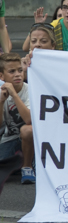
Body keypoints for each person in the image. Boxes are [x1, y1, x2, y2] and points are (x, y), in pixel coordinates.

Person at [0, 54, 32, 185]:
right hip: (10, 138)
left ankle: (27, 167)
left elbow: (29, 120)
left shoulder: (30, 90)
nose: (17, 74)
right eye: (12, 71)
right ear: (1, 76)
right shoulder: (1, 92)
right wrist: (1, 102)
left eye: (20, 70)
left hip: (31, 140)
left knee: (27, 130)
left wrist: (14, 94)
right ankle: (18, 163)